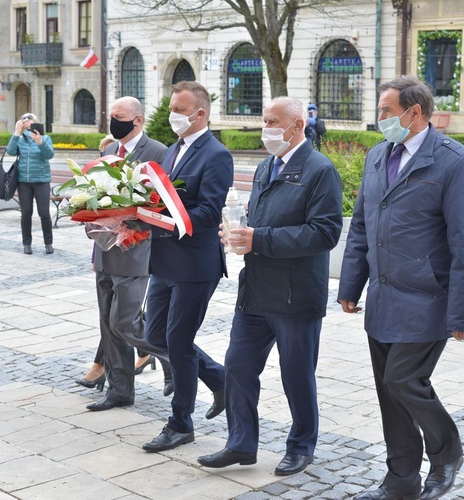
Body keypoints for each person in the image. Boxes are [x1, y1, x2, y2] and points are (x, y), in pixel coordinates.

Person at [338, 75, 464, 500]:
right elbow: (362, 227)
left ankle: (447, 451)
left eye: (385, 111)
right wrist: (352, 285)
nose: (379, 118)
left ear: (414, 112)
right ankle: (400, 481)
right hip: (383, 297)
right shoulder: (377, 156)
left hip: (427, 298)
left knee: (404, 380)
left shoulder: (454, 161)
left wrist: (463, 314)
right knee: (389, 392)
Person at [197, 97, 343, 476]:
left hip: (296, 294)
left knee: (296, 374)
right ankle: (241, 443)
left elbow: (325, 233)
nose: (266, 128)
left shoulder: (319, 169)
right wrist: (238, 232)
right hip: (256, 291)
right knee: (238, 366)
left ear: (297, 126)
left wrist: (258, 238)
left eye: (273, 121)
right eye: (264, 120)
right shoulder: (266, 166)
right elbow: (258, 221)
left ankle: (301, 446)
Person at [141, 81, 232, 452]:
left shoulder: (216, 155)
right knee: (154, 336)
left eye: (180, 109)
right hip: (164, 261)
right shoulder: (171, 151)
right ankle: (220, 378)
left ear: (200, 113)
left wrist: (161, 221)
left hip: (196, 264)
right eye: (171, 108)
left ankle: (181, 424)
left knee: (178, 342)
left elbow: (210, 212)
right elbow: (158, 199)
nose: (172, 115)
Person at [82, 96, 169, 411]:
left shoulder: (158, 152)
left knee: (124, 321)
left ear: (138, 119)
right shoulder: (108, 151)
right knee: (107, 323)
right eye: (111, 115)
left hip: (135, 249)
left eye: (119, 116)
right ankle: (119, 391)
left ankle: (167, 353)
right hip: (105, 250)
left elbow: (162, 203)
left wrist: (132, 220)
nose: (113, 120)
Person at [6, 113, 55, 255]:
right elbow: (10, 151)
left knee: (44, 213)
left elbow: (49, 155)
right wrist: (16, 133)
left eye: (30, 122)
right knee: (26, 213)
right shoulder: (20, 139)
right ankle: (26, 243)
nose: (28, 125)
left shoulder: (45, 138)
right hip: (24, 182)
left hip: (41, 181)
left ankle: (48, 243)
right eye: (24, 122)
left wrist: (40, 142)